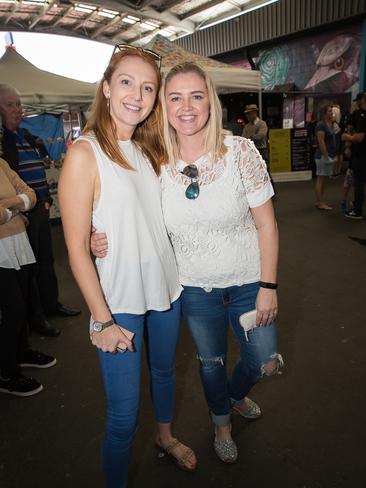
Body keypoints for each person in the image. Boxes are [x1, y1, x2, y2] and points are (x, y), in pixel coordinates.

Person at [92, 61, 283, 464]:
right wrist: (98, 236)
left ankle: (232, 397)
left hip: (250, 279)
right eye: (175, 97)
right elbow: (128, 210)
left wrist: (269, 286)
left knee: (263, 360)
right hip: (195, 287)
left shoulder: (240, 151)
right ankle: (221, 423)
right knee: (210, 362)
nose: (187, 107)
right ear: (163, 106)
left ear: (210, 103)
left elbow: (267, 224)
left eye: (196, 96)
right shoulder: (153, 160)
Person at [58, 46, 196, 488]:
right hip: (119, 304)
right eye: (126, 83)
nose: (137, 95)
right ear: (106, 88)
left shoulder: (145, 150)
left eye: (148, 87)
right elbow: (77, 248)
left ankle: (166, 437)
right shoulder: (84, 154)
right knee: (122, 418)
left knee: (164, 373)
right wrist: (102, 320)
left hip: (165, 289)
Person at [0, 84, 80, 337]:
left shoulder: (23, 135)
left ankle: (51, 305)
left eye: (18, 104)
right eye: (10, 105)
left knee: (45, 262)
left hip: (38, 209)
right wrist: (20, 210)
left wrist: (44, 199)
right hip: (19, 216)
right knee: (29, 270)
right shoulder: (3, 142)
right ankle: (36, 319)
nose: (17, 109)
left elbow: (37, 168)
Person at [0, 158, 56, 397]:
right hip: (1, 250)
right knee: (13, 310)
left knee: (24, 301)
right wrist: (17, 206)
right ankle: (6, 372)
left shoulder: (1, 164)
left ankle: (20, 352)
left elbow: (30, 196)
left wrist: (10, 205)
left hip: (18, 243)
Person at [342, 93, 366, 219]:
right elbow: (349, 128)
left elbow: (359, 137)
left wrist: (348, 138)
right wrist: (347, 146)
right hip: (357, 153)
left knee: (359, 182)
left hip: (361, 154)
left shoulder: (363, 117)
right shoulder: (356, 114)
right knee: (357, 180)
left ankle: (357, 209)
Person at [314, 104, 337, 210]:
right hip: (322, 156)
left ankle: (321, 200)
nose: (331, 113)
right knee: (321, 179)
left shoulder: (329, 124)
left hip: (328, 156)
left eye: (332, 111)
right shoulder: (321, 125)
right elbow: (321, 141)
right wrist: (326, 156)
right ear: (324, 113)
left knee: (325, 179)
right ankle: (320, 202)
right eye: (329, 111)